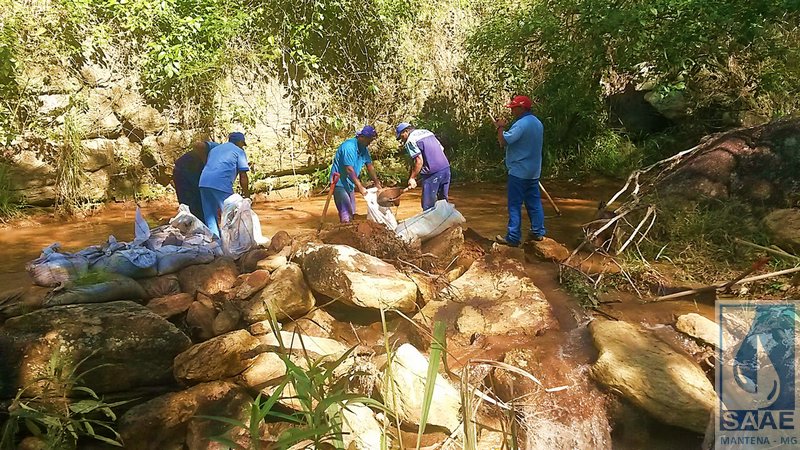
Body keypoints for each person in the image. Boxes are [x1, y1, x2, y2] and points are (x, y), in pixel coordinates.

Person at [492, 95, 546, 246]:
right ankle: (538, 232)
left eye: (514, 108)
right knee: (534, 203)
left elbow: (503, 141)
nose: (512, 111)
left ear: (521, 108)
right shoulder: (537, 123)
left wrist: (500, 127)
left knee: (514, 205)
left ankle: (513, 237)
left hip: (519, 172)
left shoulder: (521, 124)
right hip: (533, 172)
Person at [198, 132, 250, 237]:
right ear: (239, 142)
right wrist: (247, 194)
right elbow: (243, 176)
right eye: (242, 144)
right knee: (230, 213)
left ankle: (215, 240)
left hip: (204, 182)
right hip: (221, 183)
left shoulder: (215, 149)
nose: (242, 146)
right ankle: (232, 240)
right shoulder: (239, 152)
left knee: (210, 215)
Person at [329, 125, 382, 223]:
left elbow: (369, 166)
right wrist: (360, 187)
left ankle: (349, 228)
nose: (370, 143)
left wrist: (377, 183)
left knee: (352, 213)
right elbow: (349, 169)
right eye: (369, 140)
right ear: (362, 137)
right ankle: (344, 229)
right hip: (339, 183)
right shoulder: (349, 147)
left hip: (350, 183)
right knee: (346, 214)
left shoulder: (363, 149)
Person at [395, 123, 451, 210]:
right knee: (443, 203)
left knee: (428, 206)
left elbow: (419, 161)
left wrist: (412, 178)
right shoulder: (427, 132)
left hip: (432, 173)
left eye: (401, 137)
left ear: (406, 131)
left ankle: (430, 219)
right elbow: (441, 148)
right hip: (445, 168)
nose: (402, 140)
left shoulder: (410, 140)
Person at [172, 140, 219, 219]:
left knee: (199, 199)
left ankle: (198, 221)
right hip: (183, 170)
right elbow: (198, 144)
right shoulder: (217, 147)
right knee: (188, 201)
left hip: (192, 170)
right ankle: (190, 220)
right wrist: (204, 161)